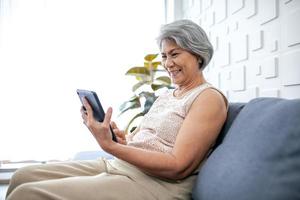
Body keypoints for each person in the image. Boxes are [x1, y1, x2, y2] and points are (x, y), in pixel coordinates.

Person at [6, 19, 228, 200]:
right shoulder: (167, 95)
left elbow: (178, 166)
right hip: (124, 167)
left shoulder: (207, 98)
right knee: (22, 176)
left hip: (157, 184)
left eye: (175, 54)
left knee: (27, 194)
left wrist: (109, 146)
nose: (167, 63)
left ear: (198, 54)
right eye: (164, 55)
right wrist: (123, 140)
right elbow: (148, 141)